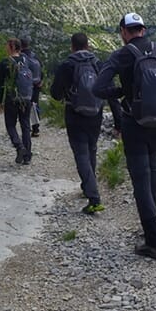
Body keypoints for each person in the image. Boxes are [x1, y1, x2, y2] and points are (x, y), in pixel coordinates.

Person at [92, 12, 156, 259]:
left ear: (124, 32)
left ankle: (153, 241)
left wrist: (120, 91)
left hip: (134, 121)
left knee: (140, 178)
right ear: (143, 29)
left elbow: (97, 88)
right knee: (152, 168)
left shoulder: (122, 55)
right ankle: (152, 226)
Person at [50, 32, 122, 214]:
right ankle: (88, 187)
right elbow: (111, 93)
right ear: (88, 45)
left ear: (72, 46)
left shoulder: (67, 65)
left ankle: (94, 197)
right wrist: (118, 123)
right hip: (95, 114)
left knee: (81, 152)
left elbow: (55, 94)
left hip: (74, 113)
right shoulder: (98, 64)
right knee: (91, 149)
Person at [0, 37, 32, 165]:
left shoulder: (4, 63)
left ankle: (19, 147)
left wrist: (0, 101)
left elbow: (1, 84)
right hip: (27, 97)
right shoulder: (26, 60)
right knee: (25, 125)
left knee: (10, 125)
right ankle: (27, 156)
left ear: (12, 46)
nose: (5, 48)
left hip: (12, 97)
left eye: (7, 45)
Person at [20, 36, 43, 137]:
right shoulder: (35, 56)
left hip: (26, 85)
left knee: (24, 106)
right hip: (37, 84)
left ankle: (26, 128)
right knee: (35, 105)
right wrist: (41, 80)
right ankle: (36, 128)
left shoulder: (21, 57)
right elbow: (41, 68)